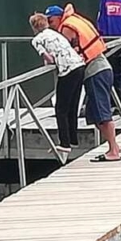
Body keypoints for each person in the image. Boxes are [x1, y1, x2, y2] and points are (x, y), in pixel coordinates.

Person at [46, 4, 121, 162]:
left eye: (51, 21)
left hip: (96, 72)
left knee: (103, 115)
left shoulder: (67, 28)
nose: (50, 25)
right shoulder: (74, 21)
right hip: (100, 69)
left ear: (59, 18)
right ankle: (114, 146)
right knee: (94, 115)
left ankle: (114, 151)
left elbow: (67, 53)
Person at [29, 12, 86, 152]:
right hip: (79, 66)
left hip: (67, 70)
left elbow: (48, 58)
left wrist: (49, 62)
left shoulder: (37, 40)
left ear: (34, 27)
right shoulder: (57, 34)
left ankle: (64, 143)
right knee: (73, 105)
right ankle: (73, 139)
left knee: (60, 109)